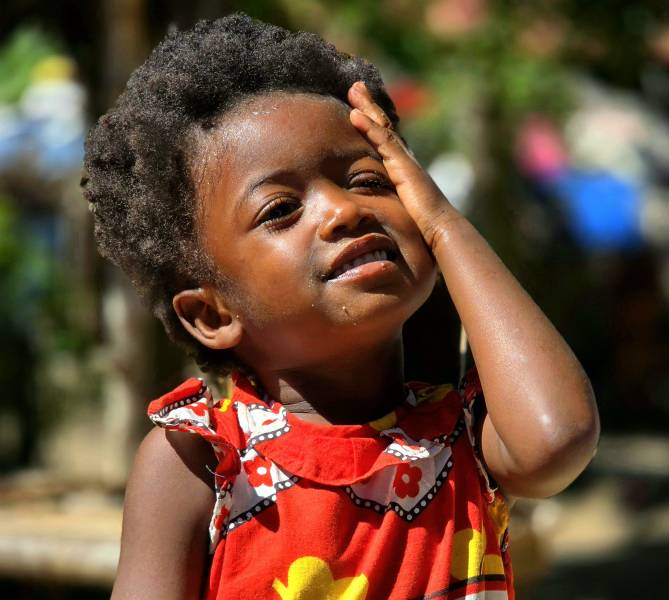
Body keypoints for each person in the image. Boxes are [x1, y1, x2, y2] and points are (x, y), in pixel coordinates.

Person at [82, 13, 599, 600]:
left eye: (370, 180)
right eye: (280, 209)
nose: (342, 210)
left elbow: (557, 440)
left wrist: (445, 223)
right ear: (212, 314)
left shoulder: (467, 433)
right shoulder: (200, 461)